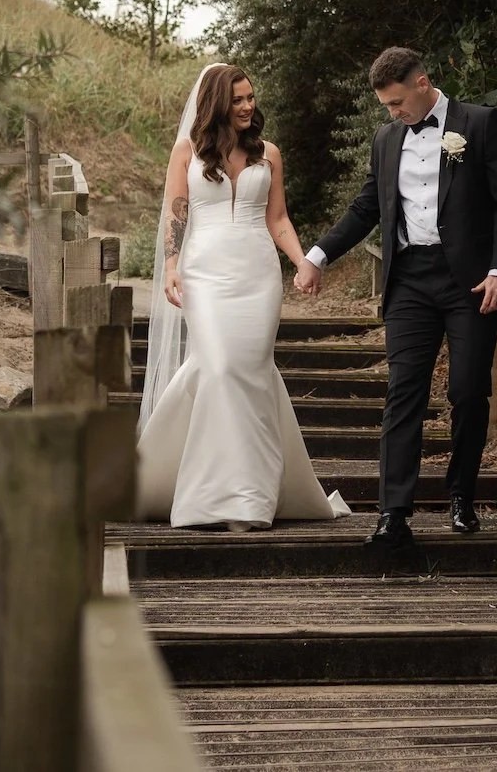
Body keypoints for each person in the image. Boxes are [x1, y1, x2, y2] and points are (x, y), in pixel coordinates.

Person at [297, 47, 497, 547]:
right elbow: (366, 208)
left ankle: (462, 497)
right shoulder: (386, 139)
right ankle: (393, 513)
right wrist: (317, 255)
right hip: (409, 281)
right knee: (404, 391)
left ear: (423, 83)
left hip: (471, 280)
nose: (392, 113)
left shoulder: (480, 124)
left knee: (468, 392)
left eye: (397, 102)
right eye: (386, 106)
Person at [134, 63, 349, 529]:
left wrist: (301, 261)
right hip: (204, 272)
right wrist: (172, 265)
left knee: (248, 371)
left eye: (251, 97)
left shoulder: (268, 153)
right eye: (238, 100)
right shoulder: (187, 151)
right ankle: (210, 492)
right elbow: (176, 212)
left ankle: (248, 498)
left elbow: (278, 220)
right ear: (216, 103)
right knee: (219, 368)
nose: (248, 106)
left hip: (257, 275)